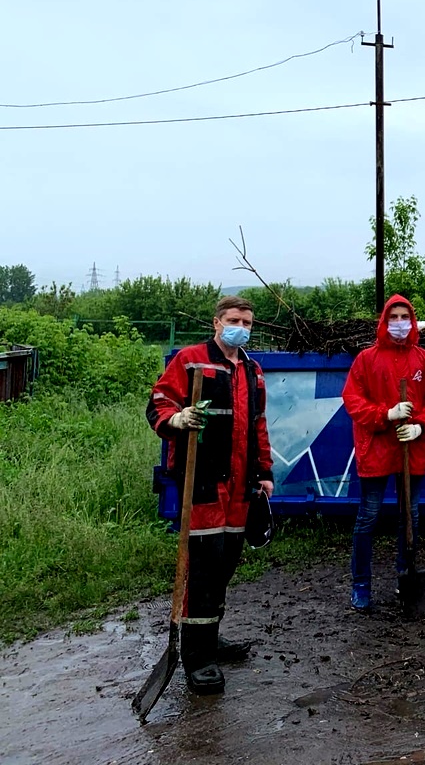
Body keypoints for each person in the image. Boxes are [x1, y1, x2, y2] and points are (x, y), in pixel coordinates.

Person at [146, 295, 274, 696]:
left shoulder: (252, 370)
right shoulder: (191, 360)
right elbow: (158, 402)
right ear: (217, 323)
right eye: (234, 320)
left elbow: (258, 424)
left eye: (247, 322)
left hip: (241, 485)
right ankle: (198, 658)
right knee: (203, 567)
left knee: (225, 563)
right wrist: (177, 417)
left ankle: (207, 633)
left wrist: (265, 472)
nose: (241, 327)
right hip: (201, 482)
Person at [341, 295, 425, 612]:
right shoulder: (367, 359)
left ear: (413, 321)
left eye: (405, 317)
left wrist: (420, 427)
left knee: (410, 516)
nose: (400, 322)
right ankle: (361, 584)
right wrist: (385, 414)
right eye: (394, 317)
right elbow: (353, 400)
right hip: (376, 448)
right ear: (384, 321)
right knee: (368, 516)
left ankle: (405, 576)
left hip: (411, 449)